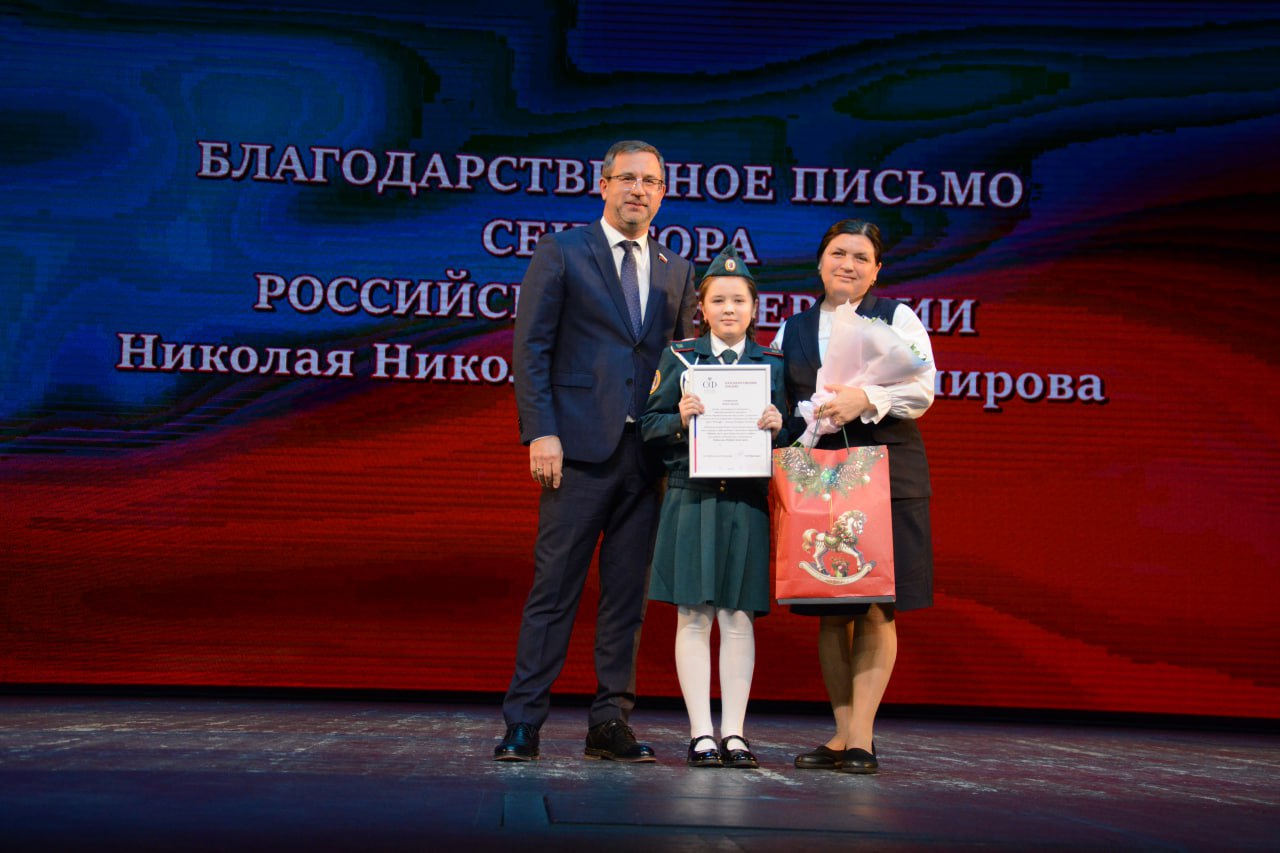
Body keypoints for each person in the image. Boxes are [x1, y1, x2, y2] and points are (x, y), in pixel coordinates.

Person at [497, 140, 698, 762]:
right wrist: (541, 431)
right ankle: (524, 722)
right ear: (604, 185)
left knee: (626, 600)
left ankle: (610, 722)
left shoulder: (676, 267)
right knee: (554, 591)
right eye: (628, 178)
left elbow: (682, 363)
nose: (639, 190)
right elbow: (531, 347)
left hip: (648, 457)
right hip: (577, 451)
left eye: (651, 182)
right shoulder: (562, 251)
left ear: (662, 194)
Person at [774, 219, 936, 774]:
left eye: (861, 257)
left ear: (877, 271)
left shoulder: (897, 318)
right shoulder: (792, 329)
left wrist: (862, 399)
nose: (848, 264)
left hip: (888, 474)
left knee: (875, 604)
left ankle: (862, 738)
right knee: (830, 608)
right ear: (820, 262)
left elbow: (922, 390)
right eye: (839, 253)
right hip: (820, 476)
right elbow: (780, 401)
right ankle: (843, 735)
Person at [641, 245, 787, 770]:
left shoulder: (772, 365)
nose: (729, 309)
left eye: (739, 301)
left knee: (738, 616)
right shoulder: (681, 359)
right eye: (719, 300)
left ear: (754, 308)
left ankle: (736, 733)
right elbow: (649, 428)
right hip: (691, 496)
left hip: (745, 501)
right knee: (694, 615)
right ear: (701, 308)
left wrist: (781, 427)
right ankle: (702, 733)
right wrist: (680, 418)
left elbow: (796, 437)